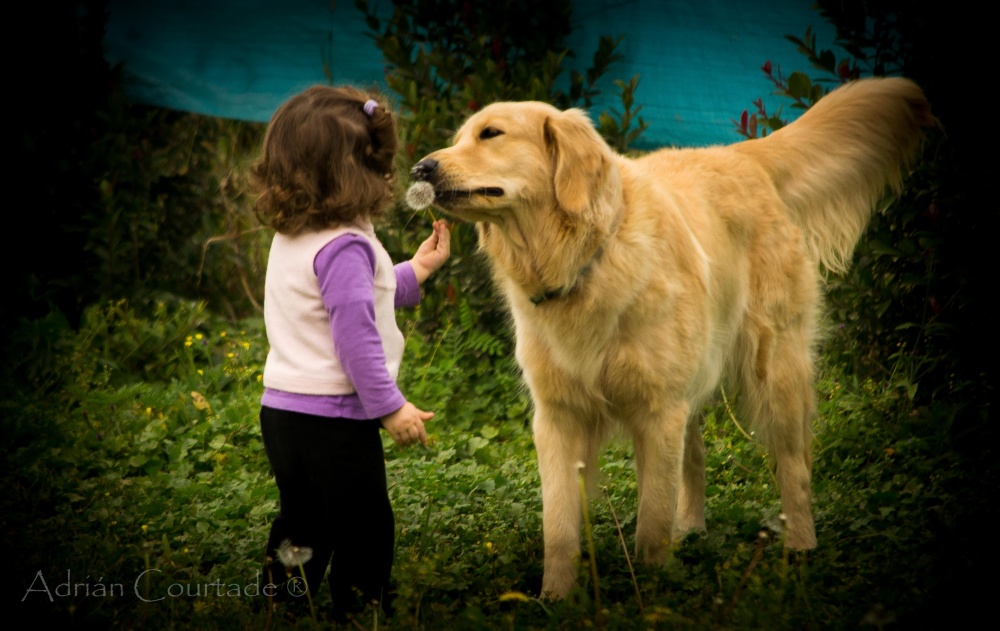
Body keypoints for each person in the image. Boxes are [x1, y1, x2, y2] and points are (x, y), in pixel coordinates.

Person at [249, 84, 450, 621]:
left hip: (284, 412)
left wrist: (419, 269)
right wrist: (390, 408)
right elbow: (356, 337)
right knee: (363, 523)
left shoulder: (299, 234)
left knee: (303, 521)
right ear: (352, 174)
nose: (387, 176)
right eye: (378, 164)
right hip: (334, 420)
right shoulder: (344, 245)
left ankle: (282, 601)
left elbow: (370, 293)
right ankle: (360, 609)